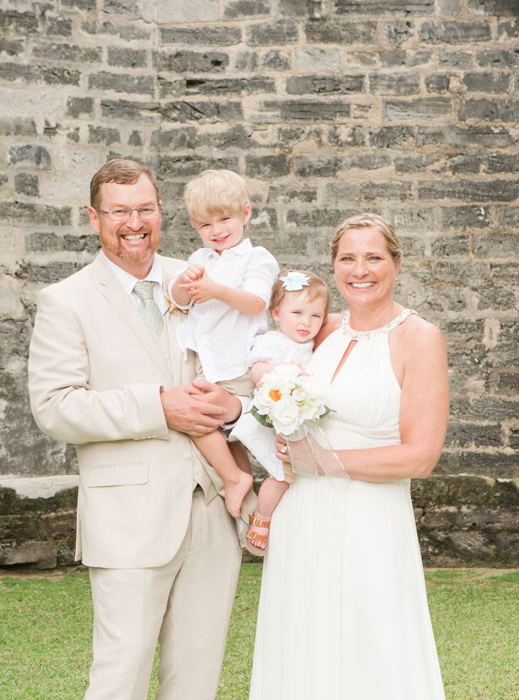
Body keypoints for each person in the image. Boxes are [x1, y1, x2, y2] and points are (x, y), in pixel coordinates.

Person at [27, 159, 246, 700]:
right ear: (94, 217)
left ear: (160, 211)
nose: (134, 221)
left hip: (212, 511)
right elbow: (55, 407)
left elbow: (244, 370)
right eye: (119, 211)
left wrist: (235, 407)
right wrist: (157, 407)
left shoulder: (197, 280)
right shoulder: (67, 300)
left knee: (196, 679)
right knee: (119, 677)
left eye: (145, 208)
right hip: (128, 520)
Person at [249, 213, 449, 700]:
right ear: (334, 267)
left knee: (372, 643)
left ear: (396, 264)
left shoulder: (418, 338)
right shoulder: (323, 331)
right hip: (302, 516)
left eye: (374, 257)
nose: (361, 270)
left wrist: (322, 461)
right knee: (301, 642)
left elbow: (420, 458)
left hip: (369, 518)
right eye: (348, 258)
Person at [168, 169, 280, 519]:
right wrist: (181, 284)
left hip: (237, 359)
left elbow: (256, 303)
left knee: (202, 422)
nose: (216, 231)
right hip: (206, 361)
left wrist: (215, 290)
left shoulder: (257, 258)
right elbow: (179, 301)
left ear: (245, 214)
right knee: (227, 436)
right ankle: (242, 485)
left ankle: (234, 479)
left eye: (224, 219)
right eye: (205, 225)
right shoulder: (199, 260)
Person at [230, 269, 330, 554]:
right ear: (276, 313)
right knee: (282, 474)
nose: (305, 322)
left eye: (315, 316)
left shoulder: (311, 344)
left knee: (298, 474)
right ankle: (261, 518)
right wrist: (284, 375)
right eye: (296, 312)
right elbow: (258, 370)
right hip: (274, 418)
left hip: (299, 418)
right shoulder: (274, 341)